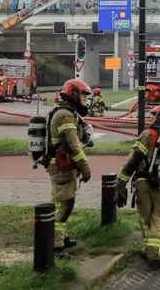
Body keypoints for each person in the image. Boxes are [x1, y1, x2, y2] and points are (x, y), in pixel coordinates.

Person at [115, 104, 160, 269]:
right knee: (159, 218)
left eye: (154, 115)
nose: (152, 118)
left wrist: (121, 183)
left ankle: (149, 250)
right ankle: (155, 255)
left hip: (142, 183)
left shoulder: (147, 135)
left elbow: (133, 162)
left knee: (146, 217)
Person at [47, 79, 93, 258]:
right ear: (74, 93)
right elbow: (73, 145)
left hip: (63, 165)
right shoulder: (65, 115)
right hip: (61, 167)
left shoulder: (67, 112)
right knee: (66, 203)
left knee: (66, 201)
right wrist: (85, 168)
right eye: (83, 95)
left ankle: (62, 238)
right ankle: (56, 246)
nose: (85, 99)